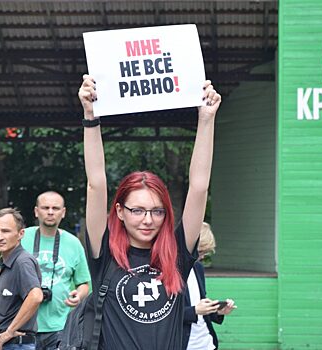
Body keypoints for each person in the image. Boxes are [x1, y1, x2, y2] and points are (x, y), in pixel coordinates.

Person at [78, 74, 221, 349]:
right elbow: (96, 183)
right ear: (119, 211)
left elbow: (200, 187)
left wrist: (206, 120)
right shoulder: (104, 251)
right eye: (138, 210)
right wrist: (91, 117)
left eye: (157, 211)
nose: (148, 220)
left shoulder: (177, 253)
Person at [21, 191, 91, 350]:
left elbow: (84, 284)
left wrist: (78, 295)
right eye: (45, 207)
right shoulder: (22, 238)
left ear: (63, 212)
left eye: (55, 208)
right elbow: (2, 276)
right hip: (24, 325)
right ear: (36, 211)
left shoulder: (73, 243)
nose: (50, 212)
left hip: (61, 326)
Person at [0, 208, 43, 350]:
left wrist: (10, 331)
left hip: (17, 344)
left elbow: (36, 296)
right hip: (9, 344)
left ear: (21, 234)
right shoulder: (6, 261)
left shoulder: (22, 261)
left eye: (5, 231)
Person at [183, 222, 236, 350]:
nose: (202, 256)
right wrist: (194, 311)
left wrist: (217, 310)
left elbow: (200, 303)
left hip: (206, 344)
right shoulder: (166, 271)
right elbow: (161, 314)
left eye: (205, 253)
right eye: (200, 251)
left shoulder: (198, 268)